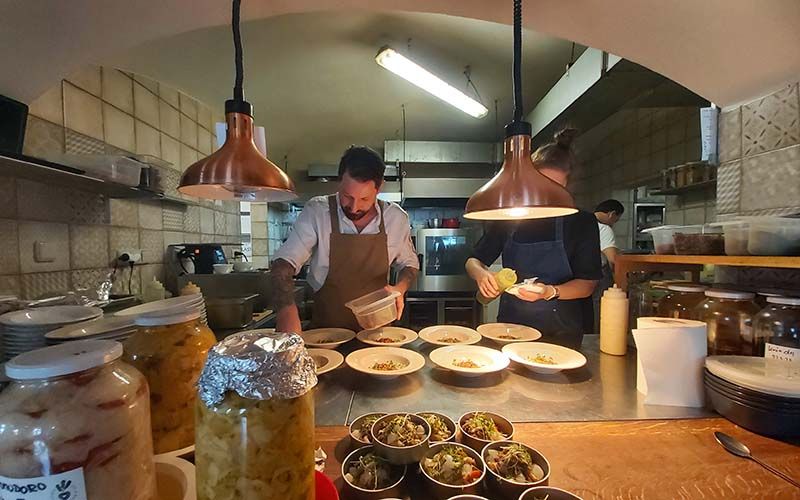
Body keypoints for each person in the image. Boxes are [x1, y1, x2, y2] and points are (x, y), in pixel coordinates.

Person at [465, 129, 601, 349]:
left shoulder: (580, 222)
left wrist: (549, 292)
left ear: (568, 187)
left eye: (555, 187)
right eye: (540, 183)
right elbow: (473, 260)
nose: (545, 193)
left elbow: (587, 284)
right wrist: (482, 275)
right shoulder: (509, 216)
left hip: (561, 334)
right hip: (510, 331)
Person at [270, 146, 419, 333]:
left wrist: (400, 288)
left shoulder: (396, 219)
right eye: (347, 196)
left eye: (364, 199)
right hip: (326, 337)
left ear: (378, 188)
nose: (354, 207)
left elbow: (410, 265)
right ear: (339, 181)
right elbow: (282, 264)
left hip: (377, 337)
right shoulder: (317, 212)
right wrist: (286, 311)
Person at [592, 199, 625, 333]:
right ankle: (599, 337)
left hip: (578, 275)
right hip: (598, 274)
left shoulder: (580, 224)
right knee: (599, 308)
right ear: (612, 214)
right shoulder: (604, 228)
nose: (614, 224)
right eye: (615, 220)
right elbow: (612, 259)